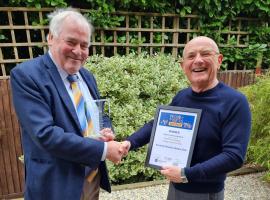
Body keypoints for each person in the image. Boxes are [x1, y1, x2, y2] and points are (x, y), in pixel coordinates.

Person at [10, 8, 123, 200]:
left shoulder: (87, 76)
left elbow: (100, 113)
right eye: (71, 42)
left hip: (90, 178)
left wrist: (106, 131)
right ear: (51, 38)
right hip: (56, 186)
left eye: (84, 45)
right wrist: (104, 150)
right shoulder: (27, 75)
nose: (78, 51)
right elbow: (45, 134)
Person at [121, 36, 251, 200]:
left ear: (219, 60)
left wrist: (186, 174)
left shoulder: (235, 102)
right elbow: (159, 125)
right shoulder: (182, 97)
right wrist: (129, 143)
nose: (198, 60)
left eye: (205, 54)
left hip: (205, 193)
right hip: (176, 188)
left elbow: (234, 156)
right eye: (191, 56)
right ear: (183, 66)